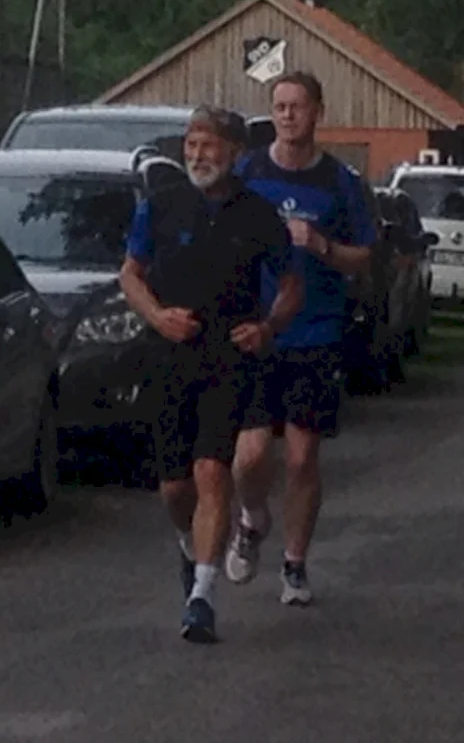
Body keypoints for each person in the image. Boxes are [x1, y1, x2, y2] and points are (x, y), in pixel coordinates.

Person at [119, 105, 303, 643]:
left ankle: (202, 597)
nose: (198, 156)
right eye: (192, 145)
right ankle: (188, 544)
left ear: (234, 154)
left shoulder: (258, 215)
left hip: (229, 357)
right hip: (171, 356)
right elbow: (130, 275)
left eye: (210, 146)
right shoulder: (161, 206)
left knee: (212, 471)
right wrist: (156, 314)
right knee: (175, 487)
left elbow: (292, 284)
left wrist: (267, 328)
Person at [226, 71, 376, 606]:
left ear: (318, 113)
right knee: (248, 456)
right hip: (257, 329)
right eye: (279, 106)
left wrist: (322, 245)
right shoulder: (247, 171)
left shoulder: (339, 183)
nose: (288, 115)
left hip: (316, 330)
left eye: (297, 106)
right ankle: (250, 518)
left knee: (302, 457)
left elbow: (365, 256)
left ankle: (294, 563)